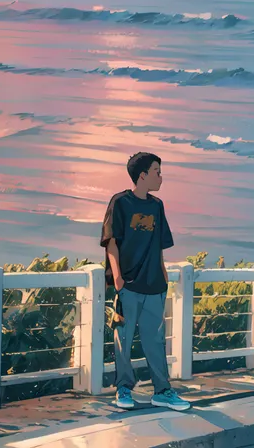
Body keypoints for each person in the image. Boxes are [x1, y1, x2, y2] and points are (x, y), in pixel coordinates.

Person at [101, 152, 191, 411]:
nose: (161, 177)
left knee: (155, 340)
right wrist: (117, 278)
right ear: (142, 175)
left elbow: (158, 245)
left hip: (154, 284)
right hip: (128, 283)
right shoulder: (120, 203)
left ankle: (162, 391)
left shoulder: (157, 206)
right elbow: (112, 242)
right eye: (157, 171)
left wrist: (163, 275)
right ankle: (124, 390)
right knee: (124, 338)